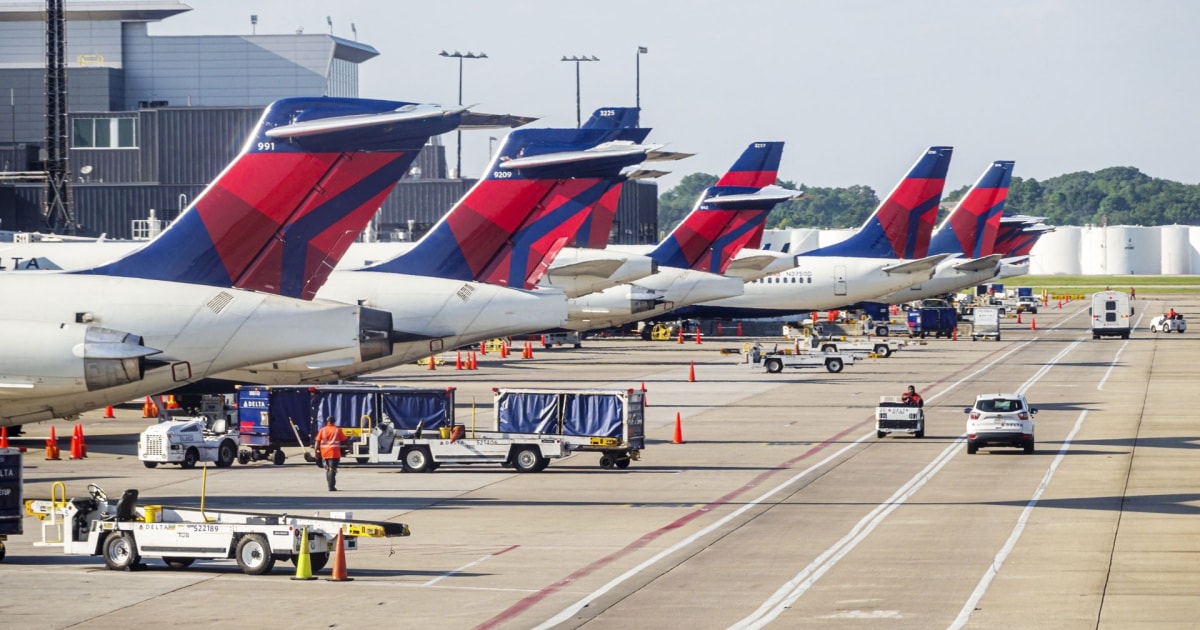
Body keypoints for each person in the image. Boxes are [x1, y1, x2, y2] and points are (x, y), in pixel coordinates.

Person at [314, 417, 347, 492]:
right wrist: (349, 448)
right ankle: (331, 486)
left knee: (328, 469)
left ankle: (330, 485)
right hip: (334, 452)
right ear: (334, 421)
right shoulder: (337, 430)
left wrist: (316, 452)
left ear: (327, 421)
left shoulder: (322, 430)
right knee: (332, 469)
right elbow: (345, 440)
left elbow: (317, 441)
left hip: (324, 452)